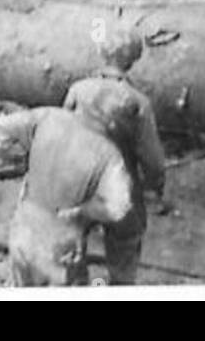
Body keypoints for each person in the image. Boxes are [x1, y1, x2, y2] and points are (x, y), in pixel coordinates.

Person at [0, 84, 137, 287]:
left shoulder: (49, 117)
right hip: (62, 239)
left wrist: (25, 161)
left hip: (23, 227)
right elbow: (120, 207)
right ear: (113, 121)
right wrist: (84, 212)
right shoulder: (110, 155)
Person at [62, 26, 166, 285]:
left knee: (72, 246)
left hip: (79, 181)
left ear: (102, 53)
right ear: (132, 59)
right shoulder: (137, 101)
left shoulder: (78, 89)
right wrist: (155, 185)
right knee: (124, 250)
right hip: (120, 185)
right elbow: (151, 157)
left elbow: (63, 132)